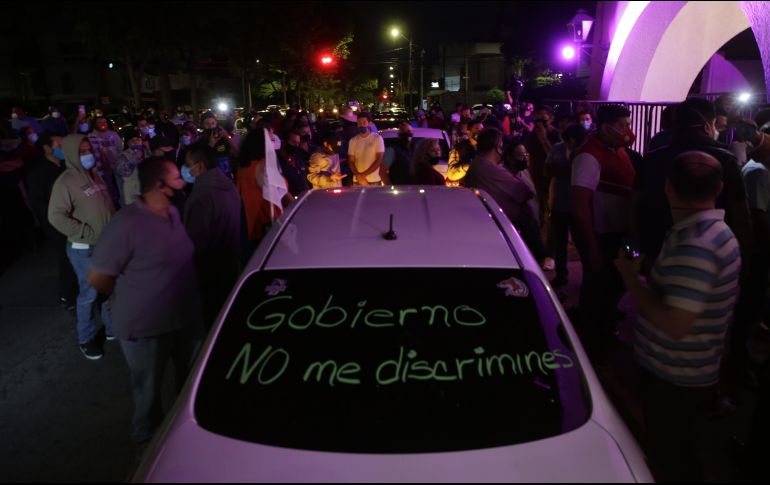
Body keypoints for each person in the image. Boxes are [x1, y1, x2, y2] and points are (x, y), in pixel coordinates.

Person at [614, 151, 740, 482]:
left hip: (676, 376)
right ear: (719, 187)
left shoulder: (696, 244)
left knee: (672, 457)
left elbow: (675, 323)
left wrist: (630, 278)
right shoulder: (713, 232)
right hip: (692, 369)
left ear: (668, 187)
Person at [87, 157, 204, 446]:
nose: (183, 181)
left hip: (184, 319)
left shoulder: (173, 213)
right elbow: (98, 278)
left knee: (191, 389)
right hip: (145, 327)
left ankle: (184, 442)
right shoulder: (127, 224)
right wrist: (134, 294)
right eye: (177, 177)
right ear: (159, 185)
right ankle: (147, 452)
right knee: (148, 395)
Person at [571, 104, 636, 362]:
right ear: (607, 127)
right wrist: (591, 248)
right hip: (602, 235)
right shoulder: (589, 156)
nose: (628, 131)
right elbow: (580, 206)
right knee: (598, 289)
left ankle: (604, 331)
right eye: (623, 126)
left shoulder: (618, 151)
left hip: (618, 234)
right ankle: (593, 344)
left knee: (613, 287)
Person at [48, 134, 116, 360]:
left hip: (104, 245)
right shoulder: (65, 181)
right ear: (70, 153)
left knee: (107, 288)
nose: (87, 155)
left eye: (88, 150)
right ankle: (85, 339)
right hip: (83, 249)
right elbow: (56, 216)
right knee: (88, 295)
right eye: (82, 151)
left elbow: (106, 206)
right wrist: (84, 232)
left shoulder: (95, 175)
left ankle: (111, 328)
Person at [182, 145, 242, 330]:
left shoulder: (201, 197)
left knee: (214, 323)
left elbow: (195, 244)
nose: (185, 169)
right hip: (232, 262)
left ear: (199, 167)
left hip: (211, 272)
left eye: (187, 165)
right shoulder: (227, 185)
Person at [25, 133, 78, 308]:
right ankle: (68, 295)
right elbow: (39, 204)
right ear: (47, 148)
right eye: (59, 145)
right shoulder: (38, 173)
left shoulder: (66, 166)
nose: (63, 149)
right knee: (66, 259)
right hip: (57, 225)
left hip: (75, 219)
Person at [464, 128, 535, 231]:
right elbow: (525, 193)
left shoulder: (476, 164)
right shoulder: (493, 170)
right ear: (499, 147)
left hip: (486, 223)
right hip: (503, 226)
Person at [544, 123, 588, 287]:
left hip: (580, 204)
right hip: (560, 201)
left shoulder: (587, 151)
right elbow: (547, 170)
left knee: (583, 241)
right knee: (560, 242)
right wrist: (569, 170)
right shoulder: (558, 148)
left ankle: (587, 276)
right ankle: (561, 275)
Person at [347, 113, 385, 186]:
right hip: (357, 180)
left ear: (369, 123)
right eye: (359, 123)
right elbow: (351, 161)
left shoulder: (377, 139)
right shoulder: (353, 140)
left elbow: (379, 160)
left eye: (364, 122)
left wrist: (363, 175)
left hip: (374, 180)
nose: (361, 125)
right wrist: (358, 176)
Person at [114, 129, 147, 206]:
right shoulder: (123, 156)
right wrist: (135, 158)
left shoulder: (146, 153)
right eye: (133, 141)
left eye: (138, 139)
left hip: (144, 195)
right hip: (130, 198)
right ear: (127, 143)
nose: (136, 142)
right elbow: (123, 172)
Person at [277, 130, 310, 196]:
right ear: (284, 142)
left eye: (298, 143)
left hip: (304, 198)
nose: (296, 146)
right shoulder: (278, 161)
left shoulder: (298, 157)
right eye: (293, 142)